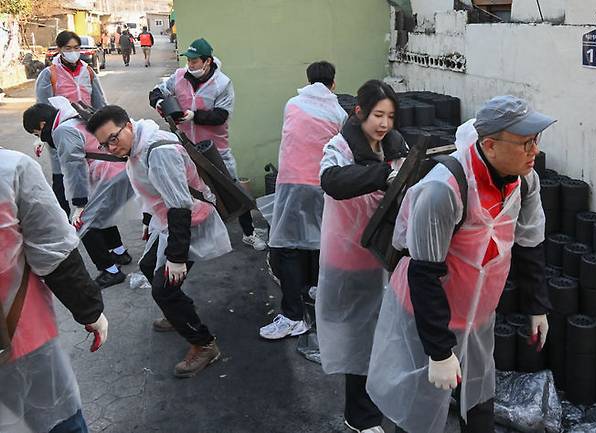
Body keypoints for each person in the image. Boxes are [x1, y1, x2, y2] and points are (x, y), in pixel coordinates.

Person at [366, 95, 554, 433]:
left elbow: (529, 245)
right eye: (525, 142)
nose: (534, 151)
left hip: (477, 315)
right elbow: (423, 276)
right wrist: (438, 352)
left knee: (479, 401)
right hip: (424, 316)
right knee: (420, 411)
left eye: (536, 140)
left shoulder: (524, 181)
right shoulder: (444, 189)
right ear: (490, 145)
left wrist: (537, 305)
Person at [87, 105, 232, 378]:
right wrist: (148, 221)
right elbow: (152, 190)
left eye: (114, 139)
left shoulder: (159, 151)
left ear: (128, 125)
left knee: (164, 289)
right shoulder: (136, 146)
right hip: (166, 221)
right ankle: (177, 311)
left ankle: (204, 344)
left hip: (189, 222)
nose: (110, 148)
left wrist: (177, 258)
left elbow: (180, 207)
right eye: (105, 144)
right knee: (148, 267)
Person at [316, 80, 407, 433]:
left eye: (390, 116)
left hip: (389, 257)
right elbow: (333, 182)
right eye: (377, 115)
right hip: (350, 258)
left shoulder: (397, 148)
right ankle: (361, 417)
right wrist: (384, 174)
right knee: (359, 340)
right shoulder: (338, 147)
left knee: (389, 336)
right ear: (359, 113)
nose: (384, 124)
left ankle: (387, 400)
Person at [0, 147, 108, 433]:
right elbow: (53, 249)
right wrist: (90, 310)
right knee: (57, 420)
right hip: (21, 337)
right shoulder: (11, 169)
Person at [148, 37, 266, 251]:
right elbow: (156, 92)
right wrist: (160, 103)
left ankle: (248, 233)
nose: (190, 64)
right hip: (184, 147)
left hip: (215, 149)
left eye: (194, 61)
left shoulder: (222, 83)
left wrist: (194, 116)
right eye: (189, 60)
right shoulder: (179, 76)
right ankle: (190, 239)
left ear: (207, 61)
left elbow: (221, 115)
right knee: (185, 192)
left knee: (232, 189)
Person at [259, 61, 347, 339]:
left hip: (292, 184)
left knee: (287, 246)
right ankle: (316, 291)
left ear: (308, 81)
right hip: (323, 184)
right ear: (333, 83)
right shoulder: (339, 112)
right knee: (320, 240)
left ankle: (294, 315)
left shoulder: (292, 104)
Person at [23, 97, 134, 289]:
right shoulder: (73, 117)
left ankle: (110, 270)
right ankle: (119, 251)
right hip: (117, 171)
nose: (41, 138)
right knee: (99, 215)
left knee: (83, 223)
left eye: (38, 133)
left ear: (42, 124)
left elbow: (74, 168)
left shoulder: (62, 131)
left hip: (109, 175)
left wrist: (79, 204)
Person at [35, 30, 107, 216]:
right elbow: (42, 108)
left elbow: (100, 103)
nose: (73, 52)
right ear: (59, 49)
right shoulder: (49, 74)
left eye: (76, 48)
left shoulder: (88, 71)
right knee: (62, 178)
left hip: (88, 132)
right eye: (68, 48)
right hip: (61, 134)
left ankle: (91, 222)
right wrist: (42, 137)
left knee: (89, 178)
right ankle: (65, 223)